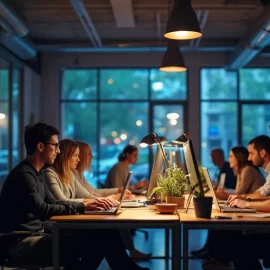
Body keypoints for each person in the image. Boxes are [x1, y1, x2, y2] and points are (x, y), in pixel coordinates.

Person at [0, 123, 149, 270]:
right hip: (19, 243)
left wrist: (86, 204)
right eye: (55, 146)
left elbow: (53, 202)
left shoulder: (37, 173)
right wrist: (84, 205)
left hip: (36, 235)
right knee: (99, 242)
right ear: (40, 146)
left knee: (105, 232)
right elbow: (43, 209)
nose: (58, 151)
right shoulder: (25, 174)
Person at [201, 146, 265, 269]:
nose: (228, 159)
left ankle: (221, 259)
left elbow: (239, 194)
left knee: (225, 227)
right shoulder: (241, 170)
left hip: (256, 211)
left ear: (238, 158)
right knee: (220, 221)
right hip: (252, 209)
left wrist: (225, 195)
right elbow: (238, 193)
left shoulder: (247, 170)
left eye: (231, 156)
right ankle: (218, 258)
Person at [44, 139, 124, 202]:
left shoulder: (70, 173)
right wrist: (110, 198)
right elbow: (62, 201)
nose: (78, 159)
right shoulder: (49, 173)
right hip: (59, 220)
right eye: (75, 155)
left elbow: (86, 195)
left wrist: (102, 200)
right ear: (65, 157)